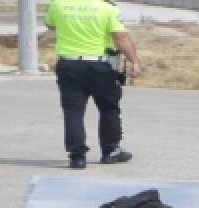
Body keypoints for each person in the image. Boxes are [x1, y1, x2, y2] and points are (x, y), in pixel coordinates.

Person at [45, 0, 142, 169]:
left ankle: (77, 156)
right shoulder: (107, 8)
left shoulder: (58, 4)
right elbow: (119, 37)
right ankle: (110, 151)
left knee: (73, 112)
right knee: (108, 108)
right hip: (99, 66)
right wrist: (134, 61)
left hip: (69, 64)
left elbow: (51, 25)